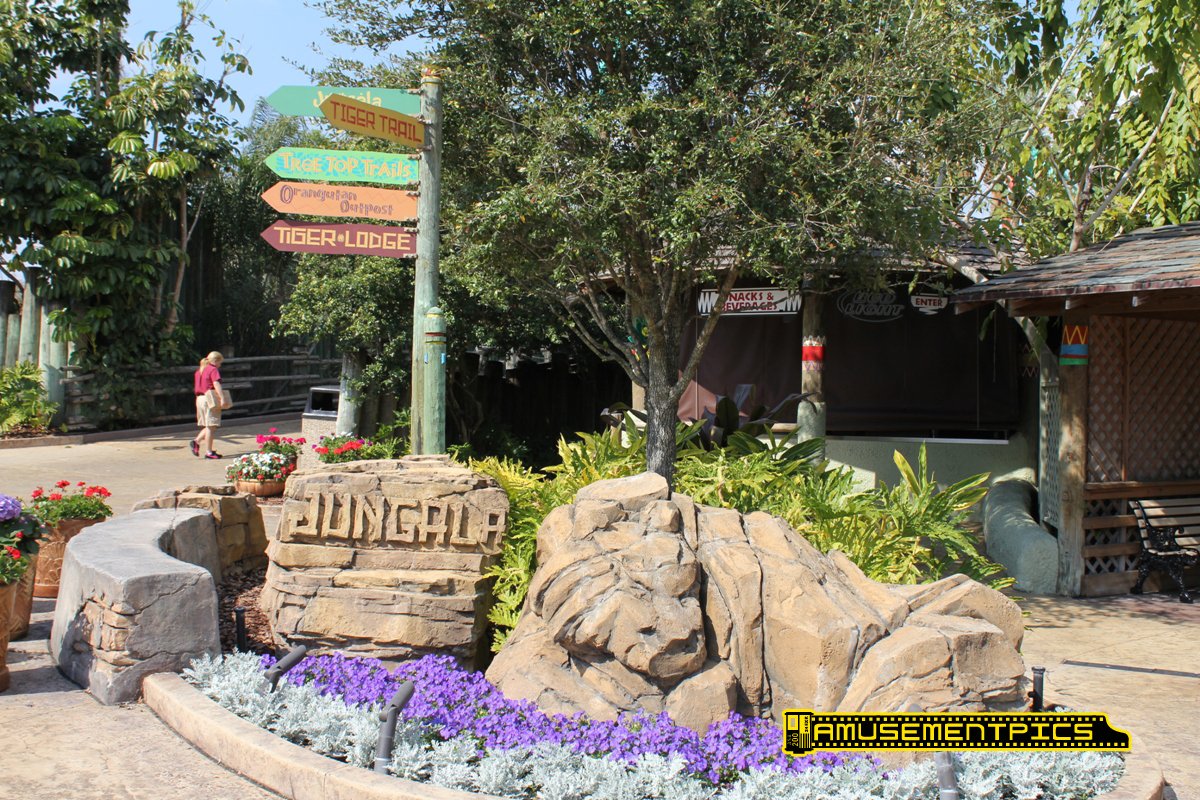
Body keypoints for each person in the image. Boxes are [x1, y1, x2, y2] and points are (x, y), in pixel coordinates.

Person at [191, 351, 227, 459]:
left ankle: (196, 441)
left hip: (199, 399)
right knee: (211, 426)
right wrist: (222, 398)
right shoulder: (212, 369)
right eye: (220, 363)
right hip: (209, 398)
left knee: (209, 425)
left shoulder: (200, 370)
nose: (220, 365)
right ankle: (209, 452)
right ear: (215, 361)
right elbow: (216, 383)